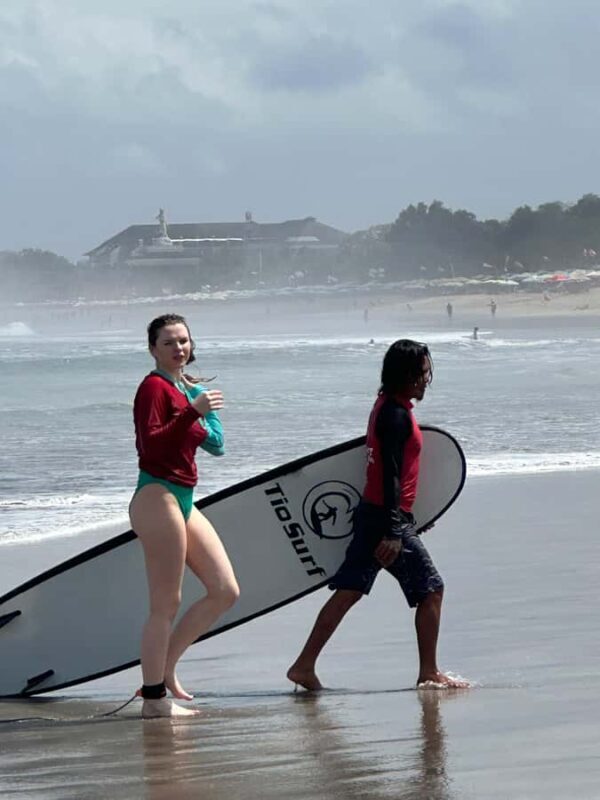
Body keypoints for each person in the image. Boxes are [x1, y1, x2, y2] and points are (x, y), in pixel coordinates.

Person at [287, 339, 469, 691]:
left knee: (349, 590)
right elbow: (390, 474)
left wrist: (408, 520)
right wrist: (396, 531)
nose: (426, 380)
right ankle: (429, 671)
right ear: (407, 375)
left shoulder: (387, 406)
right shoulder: (395, 415)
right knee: (431, 590)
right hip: (384, 521)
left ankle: (303, 665)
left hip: (378, 516)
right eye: (422, 373)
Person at [129, 313, 240, 718]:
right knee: (166, 602)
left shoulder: (184, 389)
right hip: (156, 494)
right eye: (169, 343)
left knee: (225, 590)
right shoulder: (153, 388)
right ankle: (155, 700)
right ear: (153, 349)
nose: (179, 349)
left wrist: (200, 407)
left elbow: (218, 446)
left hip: (184, 497)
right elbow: (152, 445)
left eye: (184, 341)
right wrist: (192, 412)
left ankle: (166, 671)